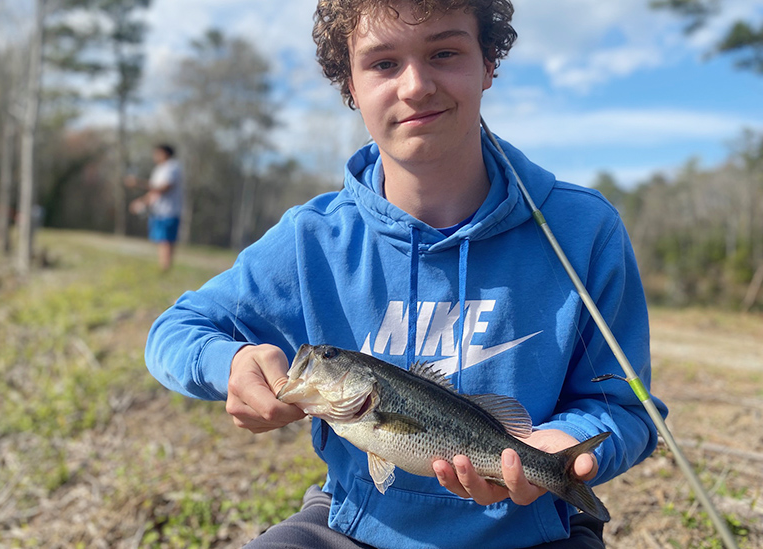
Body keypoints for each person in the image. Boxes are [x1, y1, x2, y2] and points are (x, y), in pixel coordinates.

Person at [145, 1, 666, 547]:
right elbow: (174, 332)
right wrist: (227, 362)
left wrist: (563, 447)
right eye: (383, 63)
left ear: (489, 62)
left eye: (444, 52)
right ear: (349, 82)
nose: (415, 86)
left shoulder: (581, 230)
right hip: (354, 523)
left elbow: (626, 410)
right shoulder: (311, 239)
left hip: (535, 531)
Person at [126, 144, 183, 271]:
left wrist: (138, 183)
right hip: (159, 211)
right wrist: (141, 202)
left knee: (166, 241)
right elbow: (154, 193)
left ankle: (166, 269)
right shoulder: (159, 169)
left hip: (169, 210)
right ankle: (163, 267)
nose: (155, 156)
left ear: (165, 153)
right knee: (161, 240)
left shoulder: (172, 167)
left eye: (157, 153)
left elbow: (164, 188)